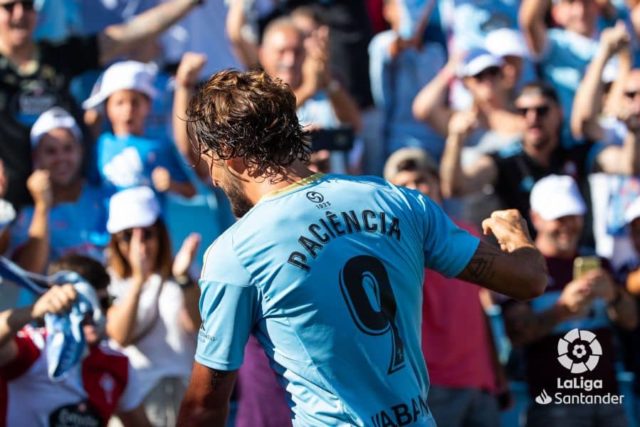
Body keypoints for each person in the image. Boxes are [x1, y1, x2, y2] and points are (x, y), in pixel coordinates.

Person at [175, 69, 547, 426]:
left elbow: (203, 408)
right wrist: (517, 236)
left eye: (210, 164)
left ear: (230, 155)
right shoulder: (397, 200)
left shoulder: (235, 251)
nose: (214, 179)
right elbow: (528, 280)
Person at [0, 0, 204, 208]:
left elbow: (126, 35)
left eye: (27, 5)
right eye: (8, 7)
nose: (19, 14)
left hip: (76, 205)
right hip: (11, 205)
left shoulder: (58, 57)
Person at [501, 175, 637, 427]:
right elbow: (517, 334)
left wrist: (615, 296)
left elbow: (631, 322)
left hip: (608, 401)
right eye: (559, 217)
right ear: (536, 218)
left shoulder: (600, 263)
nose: (568, 225)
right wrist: (563, 309)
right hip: (555, 404)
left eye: (573, 216)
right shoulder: (521, 270)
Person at [383, 147, 504, 427]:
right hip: (426, 388)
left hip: (479, 383)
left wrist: (497, 373)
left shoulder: (469, 233)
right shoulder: (387, 246)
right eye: (403, 185)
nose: (415, 190)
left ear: (439, 184)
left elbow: (479, 308)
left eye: (422, 180)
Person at [439, 82, 640, 234]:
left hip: (573, 257)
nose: (532, 117)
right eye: (523, 111)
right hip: (521, 267)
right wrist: (455, 139)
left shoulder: (578, 152)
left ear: (560, 113)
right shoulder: (504, 161)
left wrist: (633, 132)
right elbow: (455, 188)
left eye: (541, 110)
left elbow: (628, 166)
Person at [0, 254, 151, 426]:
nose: (93, 314)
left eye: (104, 302)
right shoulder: (34, 347)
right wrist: (34, 310)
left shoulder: (118, 365)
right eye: (82, 303)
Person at [105, 186, 200, 427]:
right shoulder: (109, 281)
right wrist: (138, 278)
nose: (139, 244)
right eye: (127, 236)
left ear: (160, 233)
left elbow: (198, 325)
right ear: (115, 241)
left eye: (147, 233)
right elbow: (120, 335)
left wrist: (183, 279)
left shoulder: (184, 272)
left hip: (183, 392)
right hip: (136, 399)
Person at [9, 107, 109, 274]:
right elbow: (29, 273)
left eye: (68, 148)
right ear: (36, 158)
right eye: (50, 151)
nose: (61, 158)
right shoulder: (27, 217)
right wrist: (42, 206)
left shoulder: (104, 198)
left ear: (81, 151)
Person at [83, 60, 195, 198]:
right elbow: (89, 186)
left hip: (152, 219)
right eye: (119, 103)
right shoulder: (100, 146)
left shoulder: (161, 147)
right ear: (107, 108)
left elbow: (191, 191)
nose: (128, 109)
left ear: (148, 105)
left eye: (135, 102)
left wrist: (172, 185)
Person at [368, 0, 446, 161]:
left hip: (437, 146)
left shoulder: (436, 53)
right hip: (399, 144)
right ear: (387, 11)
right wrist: (409, 28)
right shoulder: (381, 43)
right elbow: (394, 48)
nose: (414, 11)